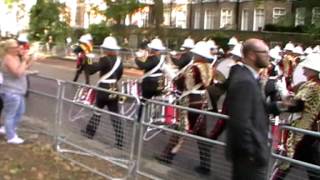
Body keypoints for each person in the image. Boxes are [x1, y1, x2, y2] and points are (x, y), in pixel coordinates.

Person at [155, 41, 214, 175]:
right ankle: (206, 165)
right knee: (202, 134)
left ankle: (167, 156)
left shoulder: (193, 68)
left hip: (189, 101)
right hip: (203, 101)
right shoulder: (210, 67)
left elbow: (180, 84)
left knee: (180, 129)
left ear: (199, 54)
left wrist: (169, 72)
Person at [224, 38, 271, 180]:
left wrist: (280, 106)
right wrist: (251, 153)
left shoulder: (248, 77)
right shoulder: (244, 81)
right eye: (264, 52)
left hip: (250, 155)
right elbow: (240, 122)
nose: (268, 56)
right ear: (251, 55)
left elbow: (255, 109)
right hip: (250, 157)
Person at [271, 53, 320, 180]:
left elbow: (297, 106)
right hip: (308, 130)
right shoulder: (312, 85)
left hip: (301, 131)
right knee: (311, 166)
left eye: (306, 68)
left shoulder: (313, 87)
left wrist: (282, 93)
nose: (303, 70)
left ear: (312, 70)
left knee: (285, 163)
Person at [82, 35, 124, 149]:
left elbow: (91, 71)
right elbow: (119, 75)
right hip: (114, 88)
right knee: (115, 115)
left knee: (97, 112)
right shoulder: (119, 60)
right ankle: (120, 141)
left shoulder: (104, 59)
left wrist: (89, 59)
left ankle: (90, 132)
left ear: (105, 49)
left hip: (103, 89)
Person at [0, 39, 34, 144]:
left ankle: (8, 129)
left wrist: (31, 60)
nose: (18, 48)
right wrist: (24, 60)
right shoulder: (8, 58)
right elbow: (18, 73)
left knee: (19, 112)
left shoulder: (15, 57)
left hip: (18, 91)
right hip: (11, 91)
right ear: (9, 49)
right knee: (11, 114)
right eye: (15, 47)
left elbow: (23, 69)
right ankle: (11, 136)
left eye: (18, 46)